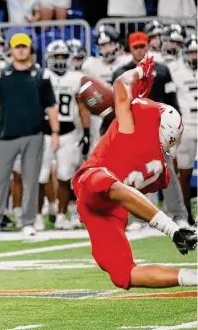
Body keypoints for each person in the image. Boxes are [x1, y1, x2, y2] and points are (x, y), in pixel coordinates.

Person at [72, 55, 197, 291]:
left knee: (122, 273)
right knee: (124, 274)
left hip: (98, 186)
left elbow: (120, 84)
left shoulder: (136, 120)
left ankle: (175, 235)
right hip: (115, 207)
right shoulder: (162, 172)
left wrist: (140, 71)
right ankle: (192, 276)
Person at [0, 33, 58, 238]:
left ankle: (28, 222)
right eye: (17, 47)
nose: (21, 50)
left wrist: (56, 132)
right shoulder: (1, 75)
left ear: (30, 49)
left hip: (34, 133)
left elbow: (51, 106)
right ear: (11, 50)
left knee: (31, 180)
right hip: (7, 134)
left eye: (24, 47)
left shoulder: (41, 75)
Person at [110, 32, 190, 229]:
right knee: (134, 177)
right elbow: (116, 106)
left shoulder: (162, 71)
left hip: (158, 131)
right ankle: (137, 218)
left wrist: (175, 133)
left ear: (148, 47)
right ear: (130, 49)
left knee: (168, 173)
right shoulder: (121, 73)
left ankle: (179, 215)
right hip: (132, 131)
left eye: (143, 46)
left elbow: (172, 102)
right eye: (136, 47)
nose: (140, 50)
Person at [35, 40, 90, 231]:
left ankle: (60, 215)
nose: (59, 61)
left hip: (69, 131)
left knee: (65, 176)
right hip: (44, 131)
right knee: (41, 177)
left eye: (63, 57)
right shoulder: (42, 76)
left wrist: (87, 131)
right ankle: (38, 216)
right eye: (56, 57)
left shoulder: (77, 77)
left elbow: (82, 106)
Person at [169, 36, 197, 226]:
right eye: (190, 52)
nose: (194, 56)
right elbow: (170, 99)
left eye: (196, 52)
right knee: (184, 173)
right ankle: (185, 213)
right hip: (186, 124)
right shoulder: (175, 71)